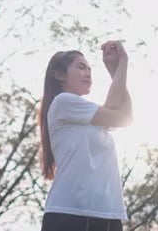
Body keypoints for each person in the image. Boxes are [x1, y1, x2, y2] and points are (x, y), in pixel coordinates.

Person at [39, 40, 133, 231]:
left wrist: (116, 72)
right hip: (69, 214)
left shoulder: (90, 115)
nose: (88, 73)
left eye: (90, 69)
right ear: (59, 75)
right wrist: (121, 63)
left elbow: (125, 117)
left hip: (108, 214)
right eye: (81, 67)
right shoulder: (63, 102)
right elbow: (115, 107)